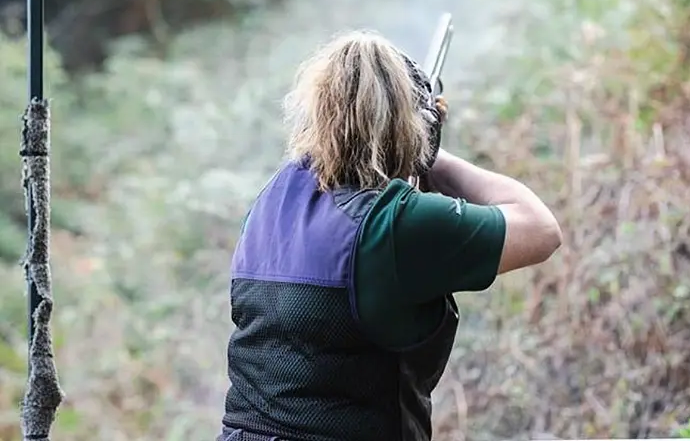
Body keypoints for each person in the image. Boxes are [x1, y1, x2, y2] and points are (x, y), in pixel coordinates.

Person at [217, 30, 562, 441]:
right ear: (407, 124)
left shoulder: (270, 202)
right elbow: (541, 229)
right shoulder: (396, 225)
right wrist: (430, 154)